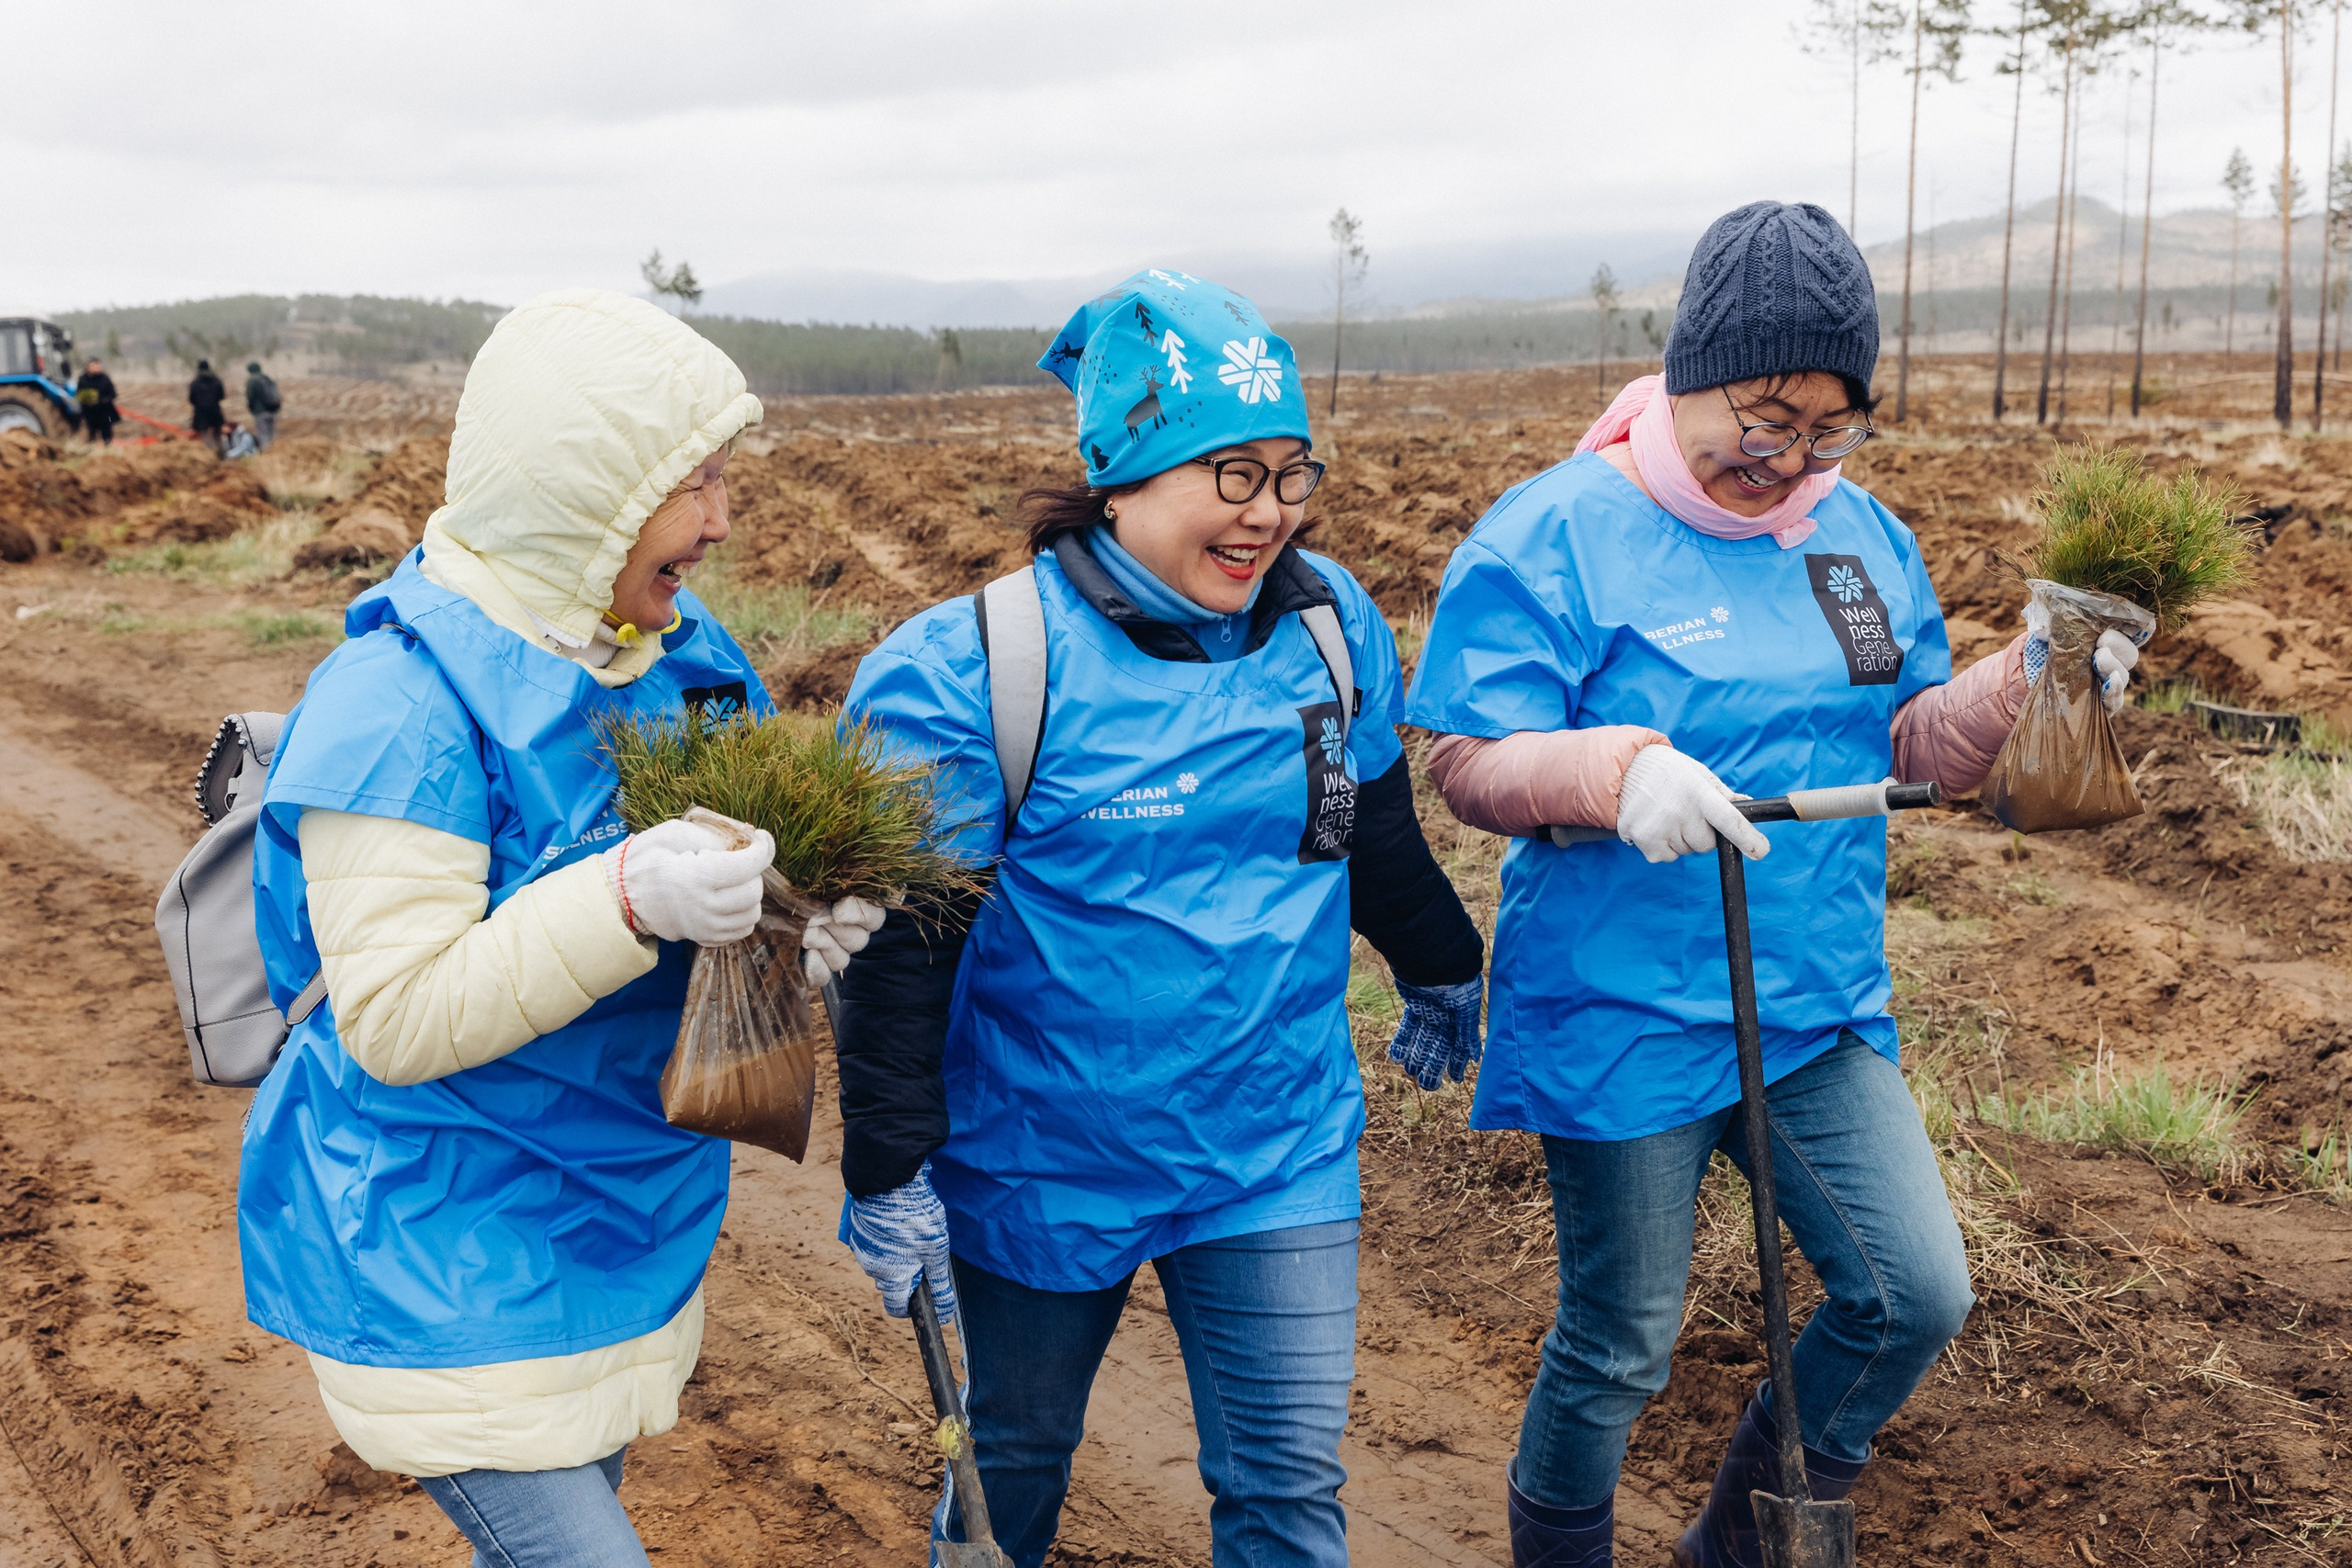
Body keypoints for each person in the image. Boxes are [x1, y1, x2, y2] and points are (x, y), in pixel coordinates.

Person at [1403, 202, 2139, 1568]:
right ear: (1690, 374)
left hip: (1809, 1000)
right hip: (1622, 1006)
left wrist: (2022, 680)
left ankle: (1729, 1551)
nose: (1790, 456)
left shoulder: (1855, 538)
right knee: (1621, 1342)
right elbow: (1468, 757)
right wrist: (1618, 773)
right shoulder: (1554, 534)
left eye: (1829, 425)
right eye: (1764, 416)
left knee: (1912, 1288)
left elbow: (1910, 739)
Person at [834, 271, 1486, 1568]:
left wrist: (1445, 965)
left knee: (1287, 1488)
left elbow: (1363, 823)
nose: (1270, 514)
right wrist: (889, 1157)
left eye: (1293, 473)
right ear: (1122, 478)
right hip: (1041, 1155)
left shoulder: (1327, 624)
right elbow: (907, 950)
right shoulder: (977, 669)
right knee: (1011, 1460)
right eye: (1230, 475)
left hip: (1272, 1142)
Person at [238, 288, 886, 1568]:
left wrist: (789, 920)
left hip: (618, 1214)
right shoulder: (398, 701)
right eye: (691, 480)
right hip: (446, 1240)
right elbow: (398, 1015)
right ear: (581, 487)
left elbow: (732, 863)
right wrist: (629, 895)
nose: (720, 518)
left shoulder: (672, 658)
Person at [187, 358, 226, 454]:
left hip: (201, 412)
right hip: (215, 410)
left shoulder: (195, 383)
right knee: (217, 433)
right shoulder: (216, 381)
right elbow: (222, 396)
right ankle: (221, 453)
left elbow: (192, 399)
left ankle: (210, 454)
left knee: (205, 433)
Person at [75, 359, 118, 445]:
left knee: (106, 430)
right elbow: (79, 394)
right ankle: (92, 446)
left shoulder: (105, 378)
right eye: (93, 366)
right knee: (92, 431)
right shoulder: (83, 379)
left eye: (98, 366)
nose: (96, 368)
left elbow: (113, 394)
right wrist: (88, 401)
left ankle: (108, 445)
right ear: (88, 368)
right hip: (90, 412)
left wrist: (102, 400)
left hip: (104, 411)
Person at [245, 359, 282, 449]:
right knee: (271, 432)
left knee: (262, 434)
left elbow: (251, 397)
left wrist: (251, 408)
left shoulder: (252, 380)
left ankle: (266, 453)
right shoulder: (267, 378)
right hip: (272, 409)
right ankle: (274, 450)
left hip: (260, 411)